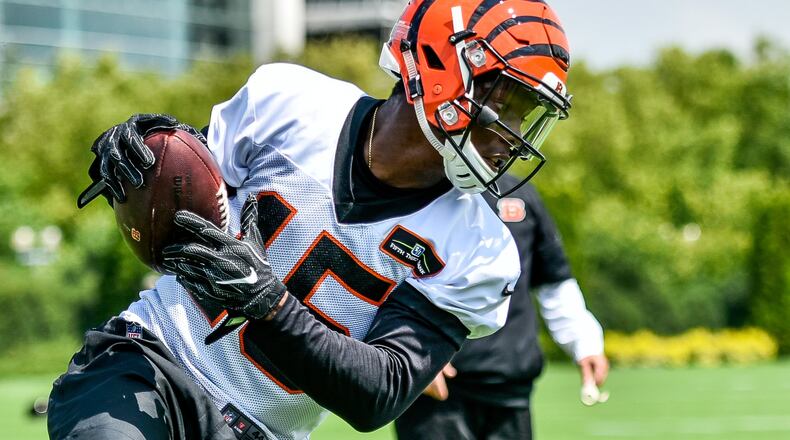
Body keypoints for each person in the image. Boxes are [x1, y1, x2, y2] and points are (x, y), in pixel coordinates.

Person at [48, 1, 574, 439]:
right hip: (151, 360)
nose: (513, 134)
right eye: (509, 104)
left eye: (525, 115)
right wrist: (142, 163)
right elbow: (184, 216)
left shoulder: (478, 248)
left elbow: (377, 395)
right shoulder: (290, 102)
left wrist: (271, 305)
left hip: (260, 429)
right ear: (445, 70)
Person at [395, 175, 609, 440]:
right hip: (436, 390)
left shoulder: (522, 194)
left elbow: (554, 279)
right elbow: (386, 281)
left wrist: (584, 343)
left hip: (509, 387)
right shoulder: (417, 189)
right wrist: (412, 357)